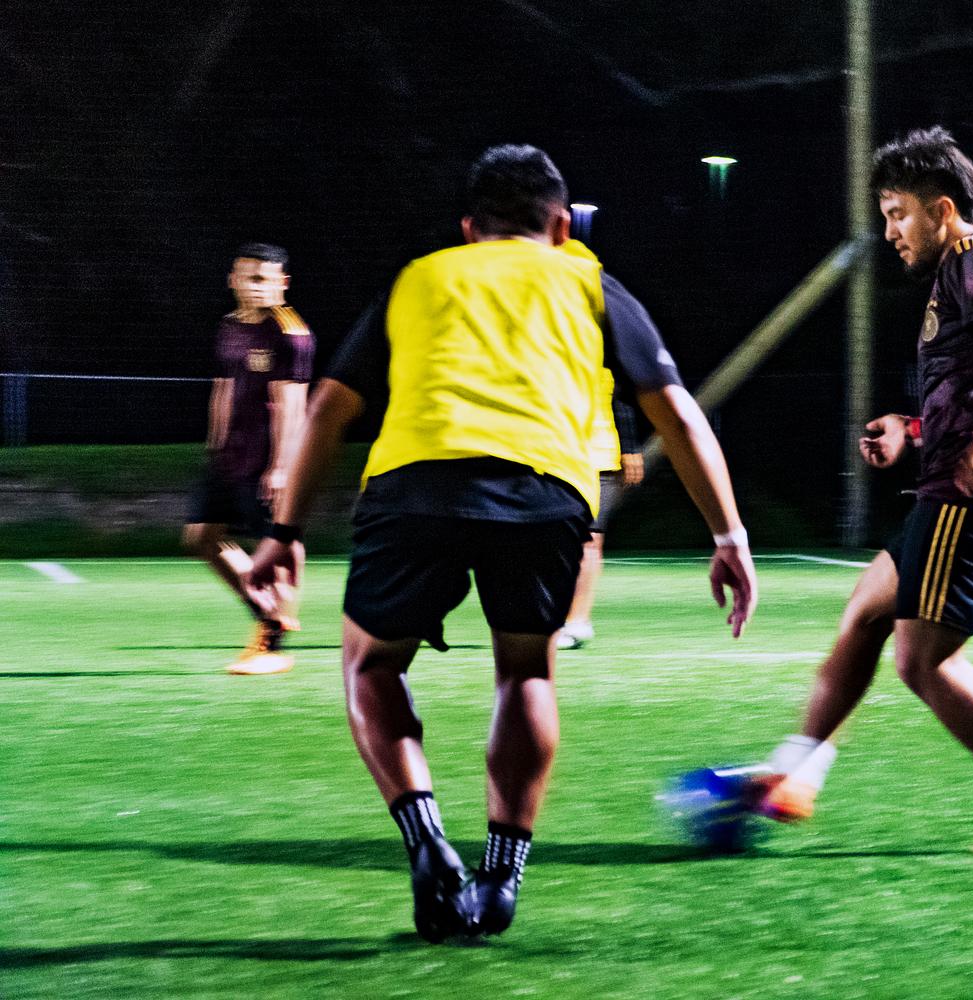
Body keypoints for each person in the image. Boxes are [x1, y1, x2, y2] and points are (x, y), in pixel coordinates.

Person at [245, 144, 757, 942]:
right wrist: (728, 534)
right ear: (561, 225)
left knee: (371, 664)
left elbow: (328, 409)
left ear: (467, 228)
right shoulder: (589, 281)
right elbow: (678, 414)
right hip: (545, 492)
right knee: (525, 670)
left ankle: (425, 840)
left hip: (416, 486)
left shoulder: (420, 277)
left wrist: (283, 531)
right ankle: (501, 874)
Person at [755, 126, 973, 855]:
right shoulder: (968, 271)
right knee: (866, 612)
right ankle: (795, 772)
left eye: (897, 213)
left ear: (942, 210)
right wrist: (911, 429)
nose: (890, 232)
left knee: (922, 658)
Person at [182, 242, 313, 675]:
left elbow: (292, 405)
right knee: (200, 537)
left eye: (263, 279)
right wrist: (214, 447)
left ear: (282, 283)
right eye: (247, 277)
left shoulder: (290, 333)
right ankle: (269, 613)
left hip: (266, 457)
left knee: (275, 544)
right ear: (232, 280)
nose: (254, 286)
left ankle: (271, 642)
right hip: (229, 456)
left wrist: (282, 468)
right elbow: (222, 389)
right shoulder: (229, 326)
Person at [558, 329, 645, 651]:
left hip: (599, 455)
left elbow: (623, 397)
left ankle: (578, 621)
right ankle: (545, 617)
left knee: (590, 540)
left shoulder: (606, 347)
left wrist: (630, 447)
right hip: (548, 454)